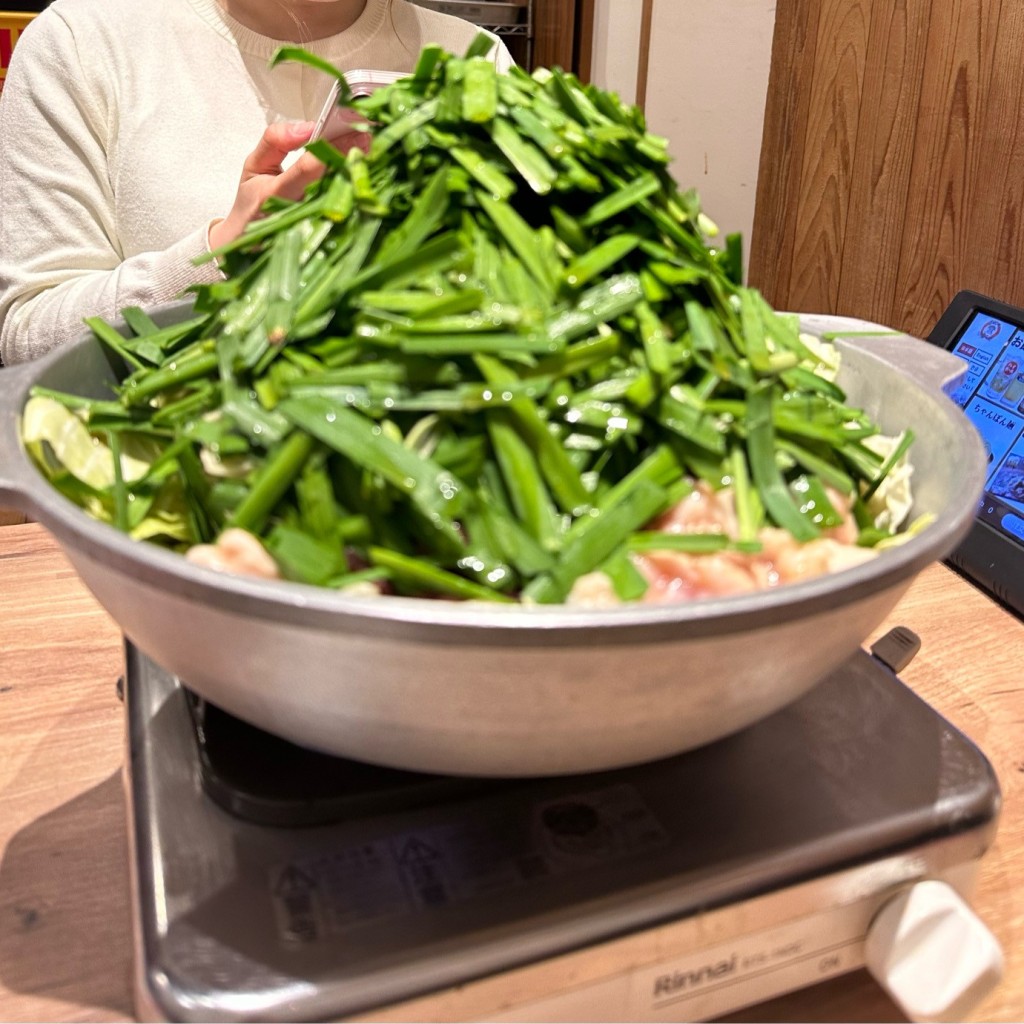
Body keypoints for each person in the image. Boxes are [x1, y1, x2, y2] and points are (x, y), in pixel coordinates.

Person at [0, 0, 513, 365]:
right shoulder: (81, 41)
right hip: (159, 495)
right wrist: (220, 256)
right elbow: (27, 333)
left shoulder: (473, 58)